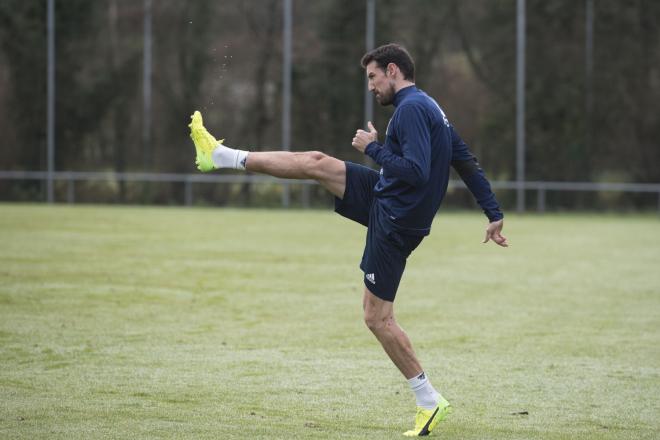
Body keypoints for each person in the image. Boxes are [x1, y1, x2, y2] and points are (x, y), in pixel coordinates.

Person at [188, 43, 507, 437]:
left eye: (373, 77)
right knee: (316, 162)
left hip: (395, 220)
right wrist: (493, 213)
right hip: (387, 198)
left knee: (376, 318)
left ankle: (429, 400)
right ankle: (220, 155)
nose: (371, 87)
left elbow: (418, 172)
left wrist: (372, 148)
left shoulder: (409, 110)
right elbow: (465, 161)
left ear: (393, 70)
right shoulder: (429, 107)